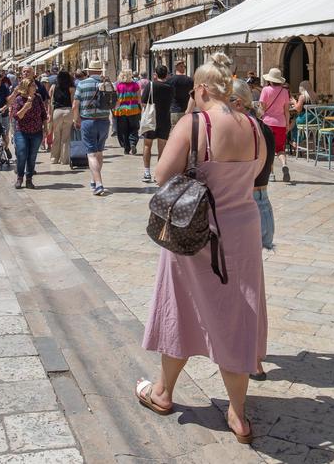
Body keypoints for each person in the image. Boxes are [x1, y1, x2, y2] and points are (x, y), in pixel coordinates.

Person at [136, 53, 268, 443]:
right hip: (242, 231)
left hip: (195, 230)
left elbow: (162, 175)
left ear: (203, 88)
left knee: (181, 307)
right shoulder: (254, 126)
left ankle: (162, 392)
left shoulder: (194, 124)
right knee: (236, 313)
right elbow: (258, 174)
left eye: (195, 89)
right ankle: (238, 415)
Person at [230, 78, 276, 250]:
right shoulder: (264, 127)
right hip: (263, 204)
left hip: (245, 204)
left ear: (239, 103)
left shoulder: (244, 130)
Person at [73, 62, 111, 196]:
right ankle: (93, 180)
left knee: (91, 154)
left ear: (89, 71)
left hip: (88, 121)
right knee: (99, 152)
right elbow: (115, 103)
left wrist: (76, 119)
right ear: (100, 71)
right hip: (104, 121)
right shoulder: (107, 83)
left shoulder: (82, 84)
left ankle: (99, 184)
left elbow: (75, 105)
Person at [9, 71, 48, 189]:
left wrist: (45, 128)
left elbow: (43, 114)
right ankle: (20, 178)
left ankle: (29, 179)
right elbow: (17, 116)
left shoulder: (38, 98)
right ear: (27, 87)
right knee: (21, 155)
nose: (35, 87)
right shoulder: (19, 99)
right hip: (21, 131)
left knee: (32, 156)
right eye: (33, 86)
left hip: (36, 132)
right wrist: (26, 107)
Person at [257, 68, 292, 184]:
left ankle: (271, 174)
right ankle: (284, 164)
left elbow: (262, 108)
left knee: (268, 149)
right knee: (280, 148)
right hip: (281, 123)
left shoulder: (266, 90)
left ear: (270, 80)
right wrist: (287, 124)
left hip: (268, 123)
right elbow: (287, 110)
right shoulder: (285, 92)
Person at [141, 66, 174, 183]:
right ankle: (159, 174)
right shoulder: (170, 88)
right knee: (162, 149)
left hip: (151, 119)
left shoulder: (150, 86)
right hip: (164, 120)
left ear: (155, 74)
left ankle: (146, 172)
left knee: (147, 145)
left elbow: (143, 102)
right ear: (167, 75)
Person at [112, 70, 142, 155]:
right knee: (134, 128)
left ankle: (126, 147)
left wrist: (114, 110)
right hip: (134, 110)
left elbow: (116, 99)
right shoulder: (135, 85)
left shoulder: (118, 86)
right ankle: (133, 143)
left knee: (123, 130)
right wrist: (140, 108)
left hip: (121, 111)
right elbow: (139, 98)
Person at [48, 69, 75, 164]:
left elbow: (50, 100)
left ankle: (54, 158)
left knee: (56, 136)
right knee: (66, 137)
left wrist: (49, 114)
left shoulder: (53, 87)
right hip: (68, 111)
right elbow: (73, 103)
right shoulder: (71, 88)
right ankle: (64, 159)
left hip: (57, 112)